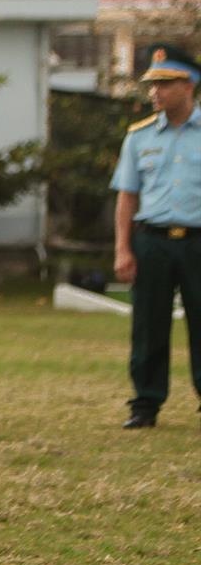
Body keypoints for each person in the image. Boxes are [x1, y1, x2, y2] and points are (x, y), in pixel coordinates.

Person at [110, 45, 201, 430]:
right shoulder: (138, 136)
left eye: (165, 83)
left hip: (198, 240)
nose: (155, 92)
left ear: (189, 85)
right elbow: (127, 195)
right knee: (148, 324)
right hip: (153, 240)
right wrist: (123, 248)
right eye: (152, 84)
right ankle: (145, 404)